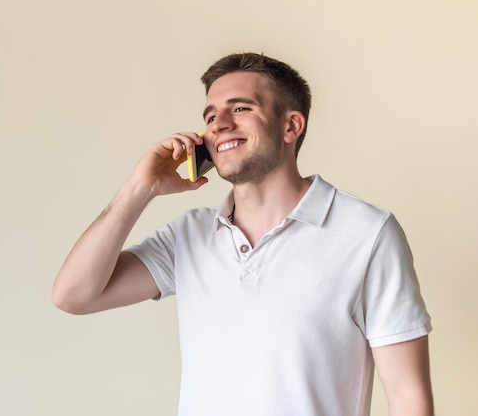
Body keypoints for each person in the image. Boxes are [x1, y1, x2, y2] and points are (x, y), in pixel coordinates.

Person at [53, 52, 433, 416]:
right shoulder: (189, 235)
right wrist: (140, 188)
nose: (218, 123)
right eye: (210, 114)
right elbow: (73, 296)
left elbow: (408, 396)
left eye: (240, 108)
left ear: (291, 126)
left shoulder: (366, 233)